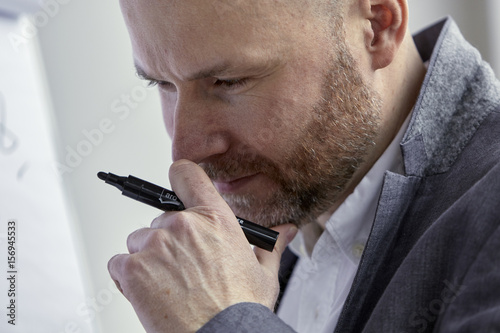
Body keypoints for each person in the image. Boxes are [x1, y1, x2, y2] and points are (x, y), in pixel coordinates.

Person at [107, 0, 500, 332]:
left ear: (378, 25)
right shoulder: (297, 201)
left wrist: (224, 319)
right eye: (161, 84)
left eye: (229, 81)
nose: (185, 149)